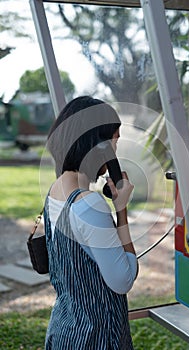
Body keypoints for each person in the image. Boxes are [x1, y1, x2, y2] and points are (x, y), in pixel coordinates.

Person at [43, 96, 138, 349]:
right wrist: (121, 210)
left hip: (65, 331)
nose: (115, 152)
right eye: (115, 141)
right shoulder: (90, 204)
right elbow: (123, 280)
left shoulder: (55, 189)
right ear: (99, 145)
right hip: (96, 339)